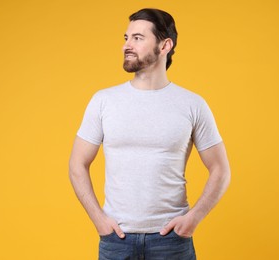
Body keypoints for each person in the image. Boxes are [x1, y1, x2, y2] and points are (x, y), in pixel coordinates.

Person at [69, 8, 230, 260]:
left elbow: (221, 169)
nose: (126, 46)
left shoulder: (192, 104)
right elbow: (77, 164)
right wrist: (99, 219)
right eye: (126, 38)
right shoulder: (103, 101)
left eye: (138, 38)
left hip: (171, 242)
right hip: (116, 239)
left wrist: (192, 219)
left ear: (165, 45)